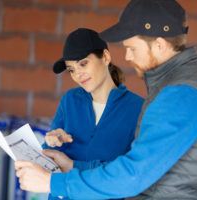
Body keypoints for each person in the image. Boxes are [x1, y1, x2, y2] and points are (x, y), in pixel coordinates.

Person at [15, 0, 197, 199]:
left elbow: (133, 174)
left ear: (159, 45)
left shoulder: (181, 94)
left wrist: (55, 183)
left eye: (132, 48)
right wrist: (72, 166)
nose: (127, 57)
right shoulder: (178, 87)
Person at [34, 28, 144, 200]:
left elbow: (128, 173)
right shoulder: (69, 100)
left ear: (106, 57)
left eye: (83, 64)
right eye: (71, 69)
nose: (78, 74)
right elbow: (49, 160)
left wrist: (72, 166)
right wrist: (53, 143)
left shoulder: (137, 109)